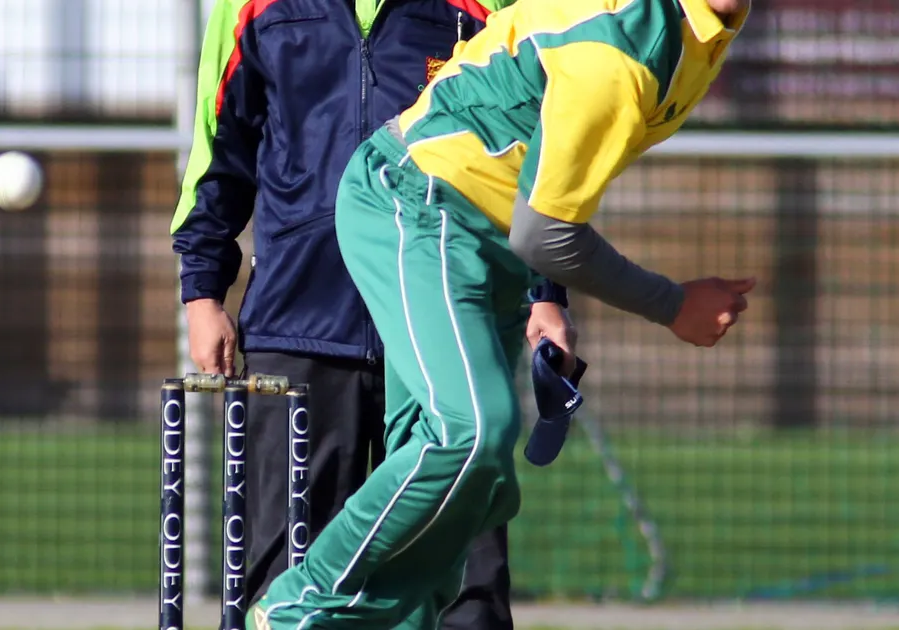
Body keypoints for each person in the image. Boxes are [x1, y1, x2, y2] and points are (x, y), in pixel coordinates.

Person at [251, 0, 757, 627]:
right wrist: (672, 304)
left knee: (478, 474)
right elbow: (546, 233)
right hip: (416, 200)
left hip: (486, 239)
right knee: (470, 433)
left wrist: (544, 294)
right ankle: (300, 607)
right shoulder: (621, 51)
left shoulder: (704, 34)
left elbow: (547, 184)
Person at [169, 0, 575, 628]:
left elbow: (530, 146)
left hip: (444, 314)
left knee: (468, 582)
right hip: (298, 320)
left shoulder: (484, 8)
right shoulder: (251, 8)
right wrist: (202, 293)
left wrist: (545, 290)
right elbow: (221, 149)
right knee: (284, 567)